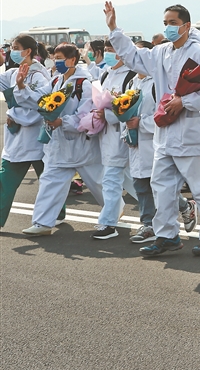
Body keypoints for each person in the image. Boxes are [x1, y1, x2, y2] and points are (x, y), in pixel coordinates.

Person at [103, 1, 200, 256]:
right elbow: (134, 57)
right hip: (165, 133)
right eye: (165, 23)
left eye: (173, 23)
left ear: (186, 26)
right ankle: (167, 235)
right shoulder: (160, 52)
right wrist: (114, 29)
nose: (169, 27)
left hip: (192, 131)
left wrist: (185, 102)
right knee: (162, 186)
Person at [23, 43, 105, 235]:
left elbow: (85, 114)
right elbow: (39, 98)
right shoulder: (55, 81)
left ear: (72, 59)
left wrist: (63, 122)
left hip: (81, 145)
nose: (56, 61)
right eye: (55, 57)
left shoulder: (84, 84)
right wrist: (21, 88)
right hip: (58, 145)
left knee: (99, 183)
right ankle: (43, 223)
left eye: (60, 58)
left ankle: (113, 212)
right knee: (50, 182)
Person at [125, 41, 198, 244]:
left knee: (159, 186)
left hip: (153, 140)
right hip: (136, 142)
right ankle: (148, 224)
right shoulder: (132, 83)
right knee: (140, 184)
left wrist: (141, 123)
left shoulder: (156, 83)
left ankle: (183, 207)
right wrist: (128, 129)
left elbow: (164, 112)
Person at [0, 36, 52, 229]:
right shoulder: (13, 73)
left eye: (16, 48)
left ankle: (57, 213)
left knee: (49, 182)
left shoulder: (40, 76)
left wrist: (14, 115)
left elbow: (42, 107)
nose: (12, 51)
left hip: (36, 139)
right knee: (4, 181)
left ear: (28, 51)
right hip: (16, 140)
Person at [91, 41, 134, 239]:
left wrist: (107, 114)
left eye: (112, 51)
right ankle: (182, 206)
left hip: (124, 134)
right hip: (107, 135)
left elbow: (131, 107)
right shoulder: (106, 73)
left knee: (112, 179)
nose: (108, 54)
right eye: (106, 50)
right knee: (134, 182)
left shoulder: (131, 75)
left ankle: (108, 223)